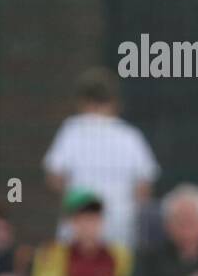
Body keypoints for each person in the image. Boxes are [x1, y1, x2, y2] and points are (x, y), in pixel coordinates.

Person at [42, 67, 160, 249]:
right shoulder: (131, 135)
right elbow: (143, 188)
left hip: (78, 227)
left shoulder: (72, 130)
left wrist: (74, 201)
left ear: (81, 101)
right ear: (114, 102)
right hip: (121, 228)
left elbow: (54, 179)